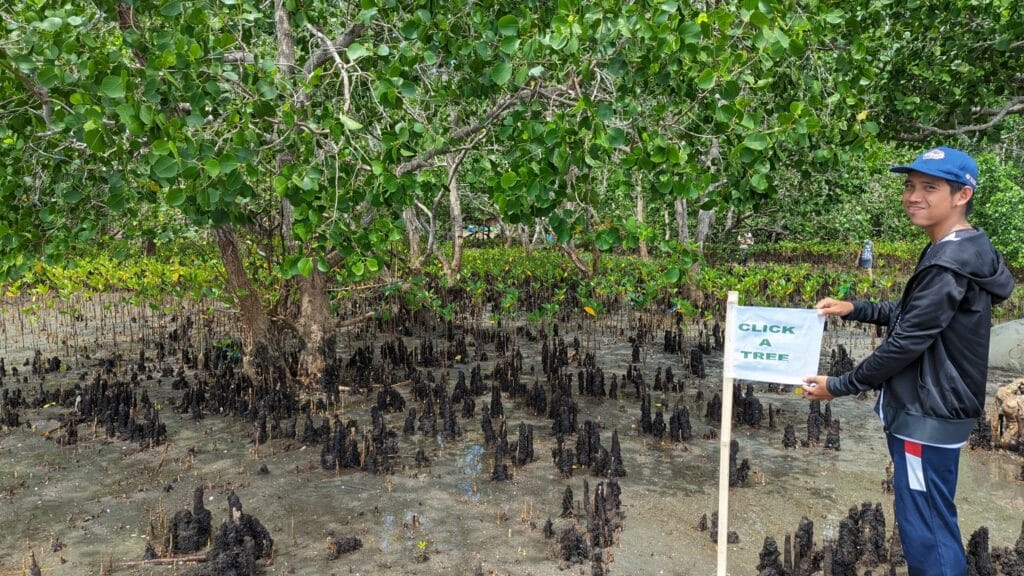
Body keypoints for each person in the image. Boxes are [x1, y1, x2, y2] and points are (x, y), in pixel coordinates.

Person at [801, 146, 1015, 576]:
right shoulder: (961, 248)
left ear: (962, 195)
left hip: (926, 416)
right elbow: (911, 315)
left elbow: (905, 344)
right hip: (936, 411)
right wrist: (854, 308)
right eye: (910, 185)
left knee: (927, 532)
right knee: (932, 518)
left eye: (929, 188)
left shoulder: (949, 263)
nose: (913, 196)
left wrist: (839, 386)